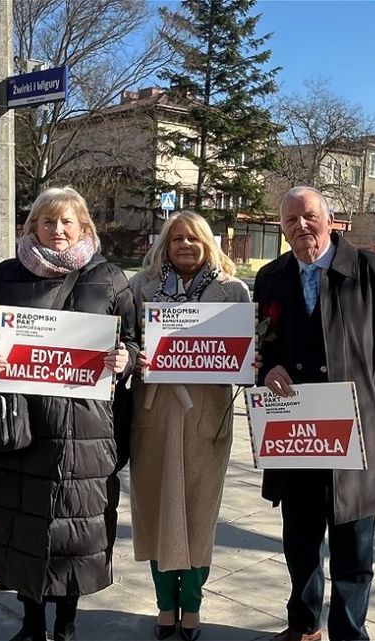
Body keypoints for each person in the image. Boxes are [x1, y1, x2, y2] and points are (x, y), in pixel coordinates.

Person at [0, 186, 138, 641]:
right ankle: (30, 624)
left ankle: (66, 622)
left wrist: (127, 359)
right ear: (33, 227)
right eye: (48, 222)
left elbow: (136, 341)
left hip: (86, 426)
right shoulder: (6, 277)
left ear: (84, 227)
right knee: (24, 524)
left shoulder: (110, 277)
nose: (57, 230)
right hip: (23, 426)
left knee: (76, 528)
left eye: (67, 222)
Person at [254, 186, 375, 641]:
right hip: (296, 434)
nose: (301, 227)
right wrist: (267, 369)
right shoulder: (270, 277)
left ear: (331, 220)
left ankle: (349, 633)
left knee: (353, 549)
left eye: (308, 217)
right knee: (300, 542)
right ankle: (304, 625)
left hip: (358, 434)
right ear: (282, 228)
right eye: (290, 221)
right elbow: (258, 348)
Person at [128, 212, 250, 641]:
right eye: (176, 238)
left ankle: (192, 606)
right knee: (156, 510)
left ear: (208, 244)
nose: (184, 245)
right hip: (154, 413)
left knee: (198, 514)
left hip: (205, 415)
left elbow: (246, 356)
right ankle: (165, 605)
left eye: (193, 239)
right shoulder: (141, 287)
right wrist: (132, 356)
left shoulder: (233, 291)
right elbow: (122, 342)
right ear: (165, 243)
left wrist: (247, 362)